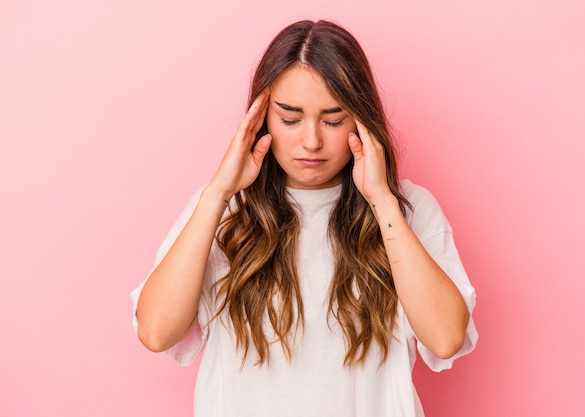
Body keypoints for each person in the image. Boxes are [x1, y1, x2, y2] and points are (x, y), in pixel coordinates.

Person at [131, 19, 477, 417]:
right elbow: (156, 331)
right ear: (261, 119)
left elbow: (446, 337)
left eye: (333, 120)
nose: (311, 141)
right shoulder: (222, 211)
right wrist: (218, 194)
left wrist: (381, 198)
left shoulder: (407, 208)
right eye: (290, 119)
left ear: (361, 119)